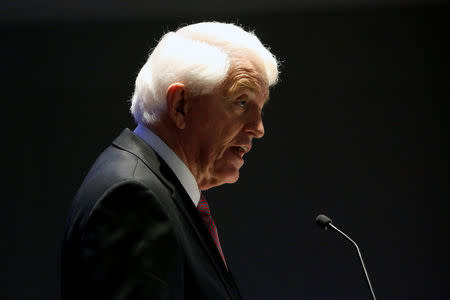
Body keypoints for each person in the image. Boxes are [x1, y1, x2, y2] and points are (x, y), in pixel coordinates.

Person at [61, 21, 279, 300]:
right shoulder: (132, 198)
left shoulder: (154, 190)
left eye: (259, 108)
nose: (258, 128)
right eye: (241, 102)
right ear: (180, 106)